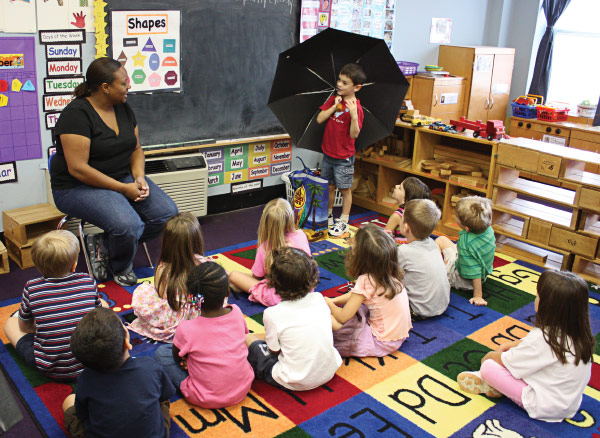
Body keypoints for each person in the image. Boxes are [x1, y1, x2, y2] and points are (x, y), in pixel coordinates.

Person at [50, 57, 178, 287]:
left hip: (121, 176)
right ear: (105, 87)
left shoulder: (124, 108)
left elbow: (136, 149)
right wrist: (122, 188)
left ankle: (104, 245)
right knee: (129, 225)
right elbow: (78, 169)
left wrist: (138, 176)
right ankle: (120, 266)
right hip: (77, 186)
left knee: (167, 214)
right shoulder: (76, 115)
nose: (129, 85)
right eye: (124, 82)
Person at [457, 270, 595, 422]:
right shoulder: (580, 335)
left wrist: (489, 357)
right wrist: (510, 345)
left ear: (546, 304)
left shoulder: (544, 339)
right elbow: (530, 346)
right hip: (569, 404)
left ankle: (484, 378)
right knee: (519, 358)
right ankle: (495, 385)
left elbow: (503, 360)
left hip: (544, 405)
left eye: (537, 296)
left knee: (489, 367)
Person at [3, 230, 106, 381]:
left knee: (10, 323)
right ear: (74, 265)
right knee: (102, 303)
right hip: (91, 363)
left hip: (51, 368)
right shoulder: (87, 281)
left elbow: (25, 328)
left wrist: (45, 326)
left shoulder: (32, 288)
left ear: (38, 266)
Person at [63, 307, 175, 438]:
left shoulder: (85, 378)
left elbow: (83, 414)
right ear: (127, 343)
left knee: (69, 401)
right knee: (161, 399)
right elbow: (165, 395)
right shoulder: (150, 367)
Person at [154, 263, 254, 408]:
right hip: (243, 388)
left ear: (192, 297)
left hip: (203, 397)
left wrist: (191, 361)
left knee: (161, 354)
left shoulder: (186, 328)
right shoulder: (237, 312)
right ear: (227, 293)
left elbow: (177, 357)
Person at [245, 247, 341, 390]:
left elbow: (274, 351)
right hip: (329, 371)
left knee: (248, 339)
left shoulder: (272, 314)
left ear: (273, 283)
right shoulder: (319, 298)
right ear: (313, 278)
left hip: (293, 380)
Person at [325, 224, 412, 357]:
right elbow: (356, 294)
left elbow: (342, 316)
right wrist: (334, 300)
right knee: (359, 307)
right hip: (399, 336)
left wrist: (327, 303)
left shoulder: (366, 280)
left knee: (328, 318)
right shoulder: (390, 273)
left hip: (379, 342)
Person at [129, 212, 207, 342]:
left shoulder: (163, 268)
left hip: (174, 320)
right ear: (197, 239)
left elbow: (163, 295)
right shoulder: (205, 264)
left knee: (144, 291)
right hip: (200, 312)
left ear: (167, 242)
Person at [229, 198, 311, 307]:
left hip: (278, 296)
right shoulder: (301, 235)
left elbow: (257, 277)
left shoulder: (265, 248)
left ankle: (225, 274)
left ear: (265, 223)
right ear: (290, 219)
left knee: (233, 275)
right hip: (306, 291)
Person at [316, 63, 366, 237]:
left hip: (343, 156)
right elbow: (320, 119)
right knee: (329, 187)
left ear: (356, 87)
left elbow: (354, 135)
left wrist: (353, 115)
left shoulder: (356, 108)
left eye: (345, 83)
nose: (339, 84)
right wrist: (333, 106)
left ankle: (343, 221)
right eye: (339, 80)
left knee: (344, 189)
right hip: (328, 153)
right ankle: (328, 215)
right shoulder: (334, 99)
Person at [435, 196, 495, 306]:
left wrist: (478, 295)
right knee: (442, 240)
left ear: (467, 228)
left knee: (438, 243)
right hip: (480, 270)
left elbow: (474, 269)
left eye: (456, 216)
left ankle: (436, 270)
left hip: (463, 279)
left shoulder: (465, 242)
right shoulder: (489, 230)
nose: (455, 217)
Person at [397, 199, 450, 320]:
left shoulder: (403, 251)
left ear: (406, 227)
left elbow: (388, 275)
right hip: (442, 305)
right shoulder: (432, 243)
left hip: (418, 310)